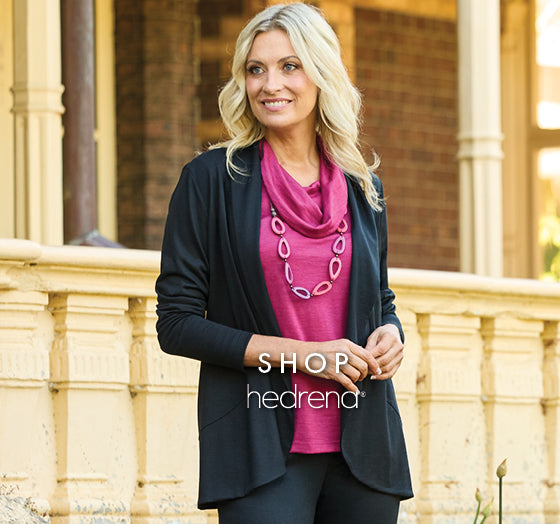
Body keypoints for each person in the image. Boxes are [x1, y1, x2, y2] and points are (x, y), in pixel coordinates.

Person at [155, 2, 413, 523]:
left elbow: (379, 297)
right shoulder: (210, 181)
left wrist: (391, 332)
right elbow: (176, 325)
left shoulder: (364, 188)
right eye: (256, 69)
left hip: (363, 448)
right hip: (260, 448)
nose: (270, 84)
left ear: (321, 74)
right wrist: (307, 357)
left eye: (289, 66)